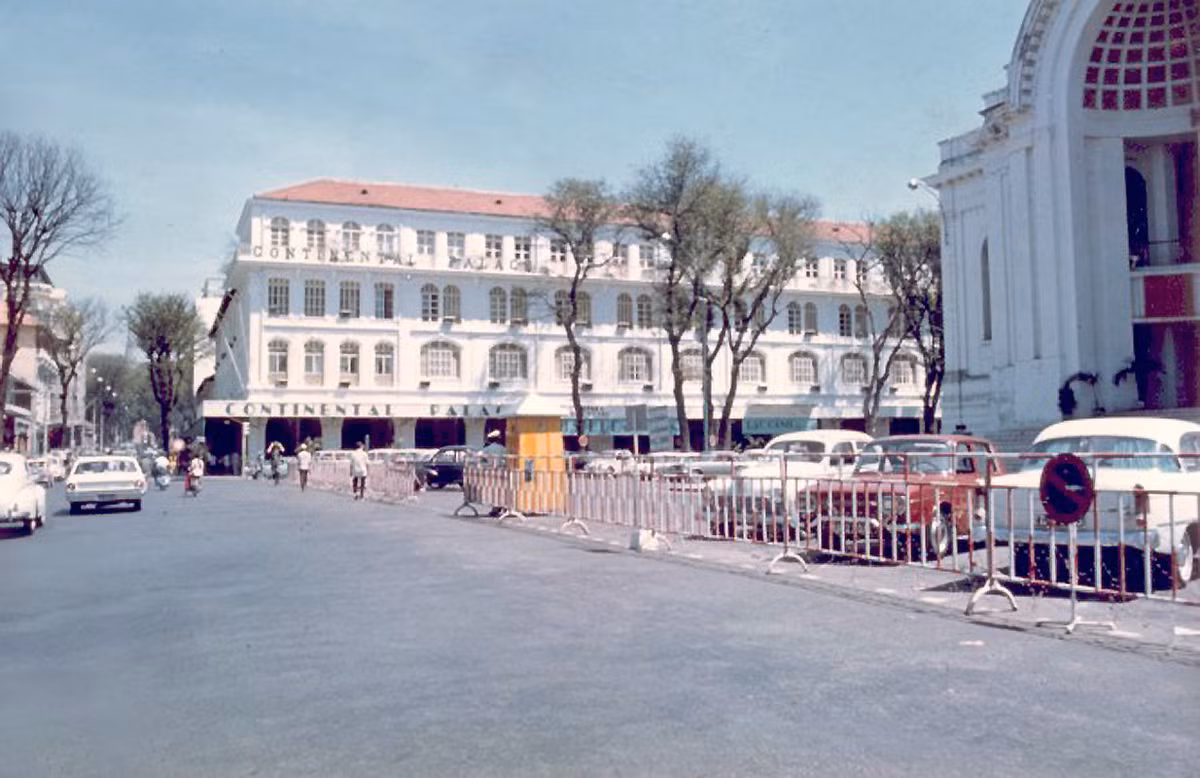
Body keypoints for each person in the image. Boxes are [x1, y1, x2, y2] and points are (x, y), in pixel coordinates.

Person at [481, 429, 508, 517]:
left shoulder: (487, 449)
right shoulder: (503, 449)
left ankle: (495, 508)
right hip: (502, 472)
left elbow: (480, 459)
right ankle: (504, 507)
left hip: (491, 472)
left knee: (494, 491)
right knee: (503, 490)